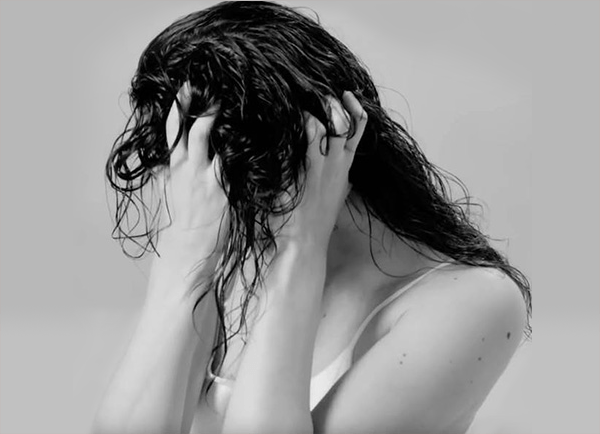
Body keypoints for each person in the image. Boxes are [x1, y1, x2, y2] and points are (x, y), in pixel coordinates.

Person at [94, 2, 532, 433]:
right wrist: (183, 259)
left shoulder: (472, 301)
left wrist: (298, 250)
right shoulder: (219, 254)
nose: (191, 187)